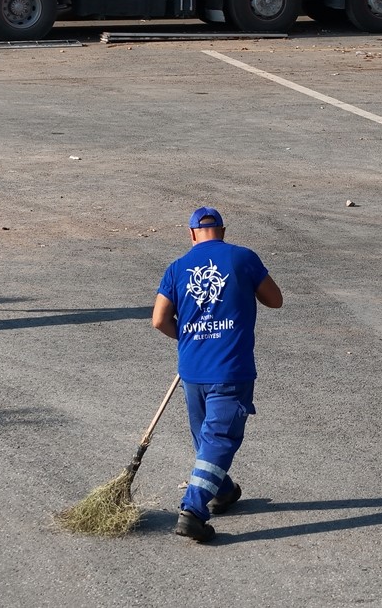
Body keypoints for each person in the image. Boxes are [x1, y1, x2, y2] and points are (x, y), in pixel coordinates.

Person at [152, 207, 283, 542]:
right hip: (231, 368)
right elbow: (275, 300)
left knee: (206, 439)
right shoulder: (242, 258)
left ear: (192, 233)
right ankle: (193, 511)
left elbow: (159, 320)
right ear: (222, 231)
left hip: (193, 369)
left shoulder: (176, 268)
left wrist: (191, 338)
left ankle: (222, 490)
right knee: (218, 440)